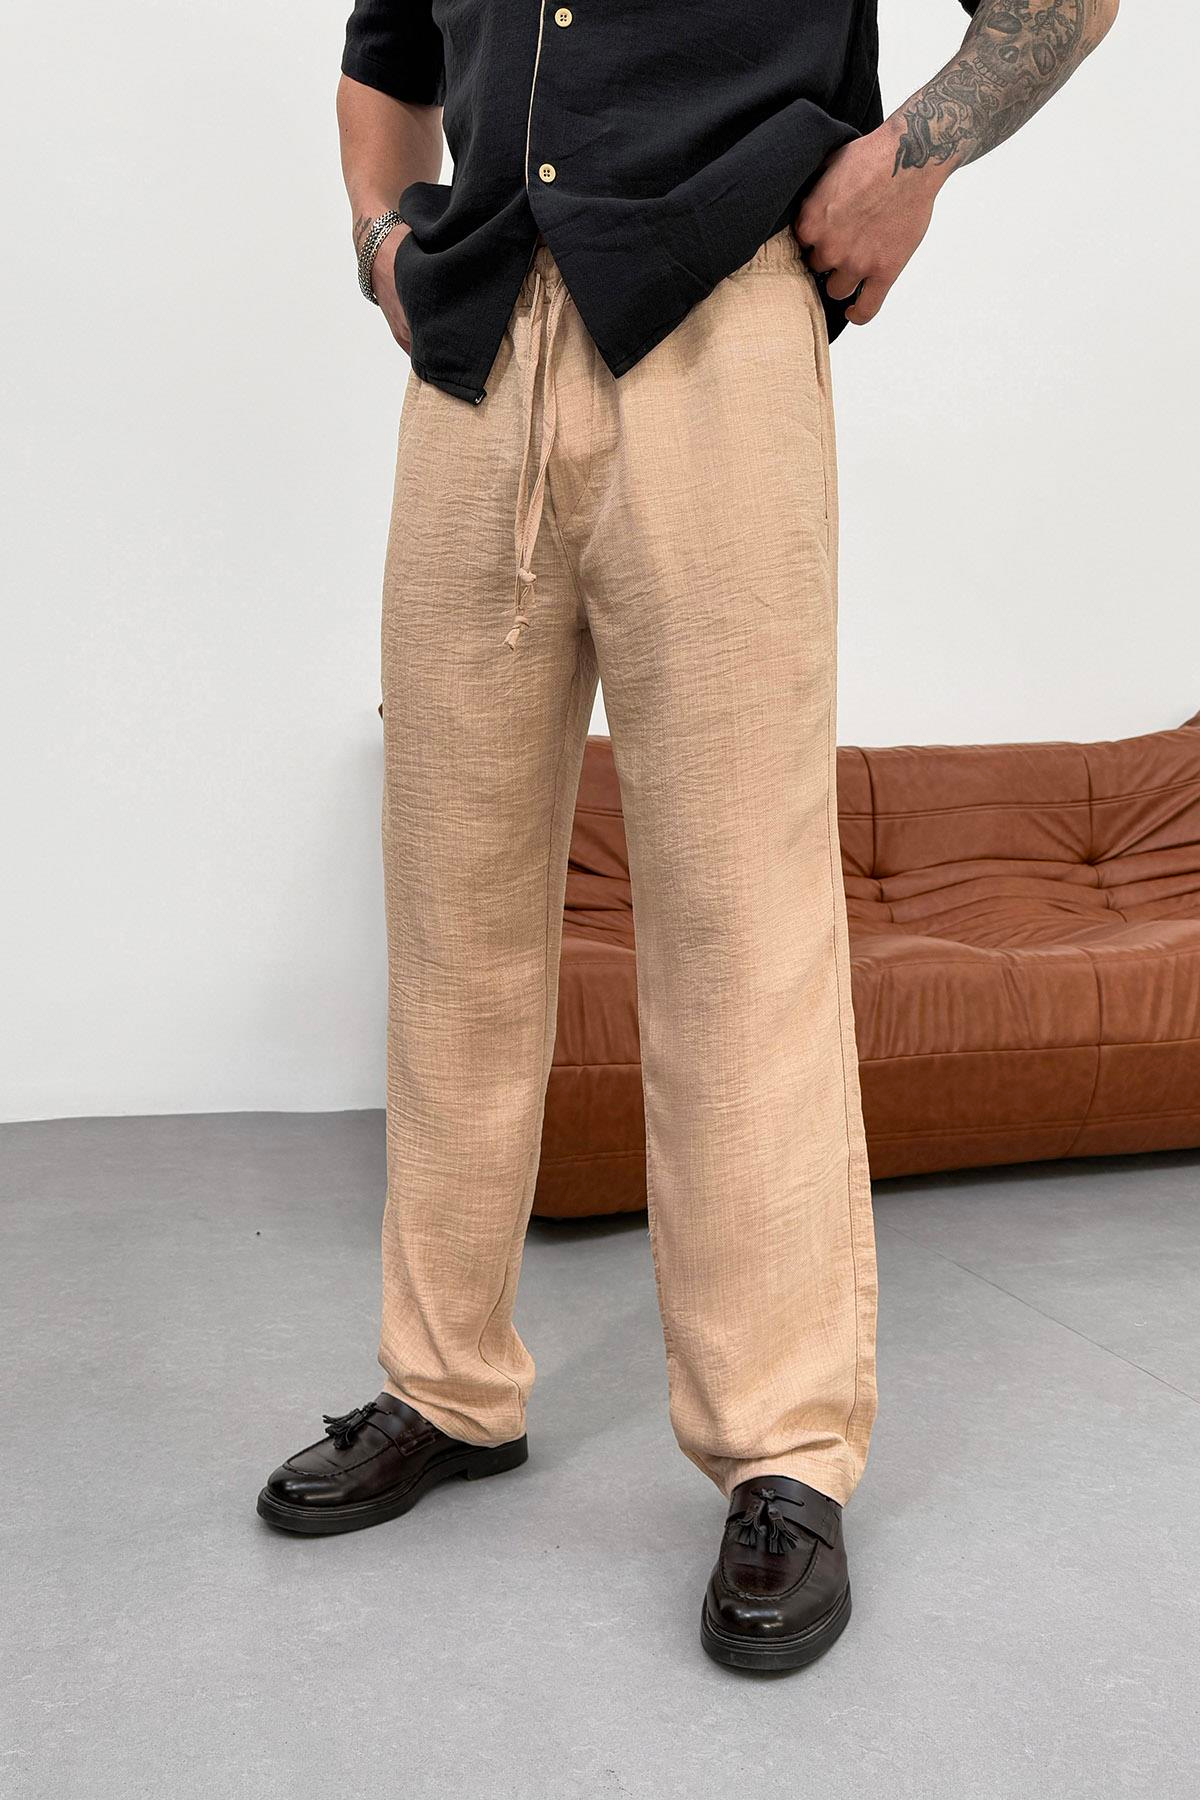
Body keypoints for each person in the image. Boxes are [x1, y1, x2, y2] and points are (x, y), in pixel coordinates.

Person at [257, 0, 1119, 1671]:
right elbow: (385, 60)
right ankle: (446, 1383)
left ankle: (784, 1447)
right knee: (451, 910)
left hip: (717, 328)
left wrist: (911, 165)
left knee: (739, 919)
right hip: (473, 362)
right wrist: (380, 245)